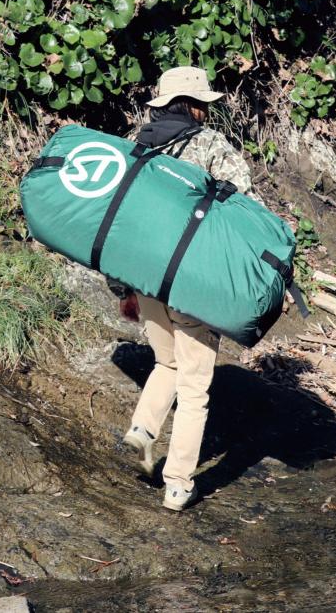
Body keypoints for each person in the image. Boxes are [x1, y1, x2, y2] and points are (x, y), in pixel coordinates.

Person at [111, 66, 261, 511]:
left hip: (145, 276)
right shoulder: (210, 144)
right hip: (192, 280)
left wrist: (124, 286)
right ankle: (177, 484)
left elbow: (121, 216)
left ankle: (142, 430)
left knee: (167, 361)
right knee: (195, 386)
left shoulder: (137, 146)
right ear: (195, 106)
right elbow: (245, 207)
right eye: (204, 106)